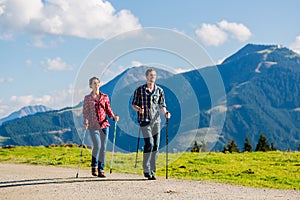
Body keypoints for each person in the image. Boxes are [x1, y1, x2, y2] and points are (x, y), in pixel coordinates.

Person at [132, 68, 171, 180]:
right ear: (146, 77)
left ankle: (152, 171)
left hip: (156, 121)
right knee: (149, 143)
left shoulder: (159, 91)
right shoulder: (140, 90)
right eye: (150, 75)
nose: (152, 77)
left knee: (156, 146)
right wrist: (139, 109)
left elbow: (162, 105)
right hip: (144, 120)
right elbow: (133, 104)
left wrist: (166, 113)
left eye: (154, 75)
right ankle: (146, 168)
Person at [83, 76, 119, 178]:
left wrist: (113, 117)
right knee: (97, 145)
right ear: (90, 86)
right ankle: (94, 166)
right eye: (94, 83)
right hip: (93, 125)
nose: (96, 85)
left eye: (97, 83)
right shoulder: (87, 98)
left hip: (104, 125)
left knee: (103, 147)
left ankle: (101, 169)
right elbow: (85, 112)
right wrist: (86, 122)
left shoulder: (105, 97)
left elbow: (108, 109)